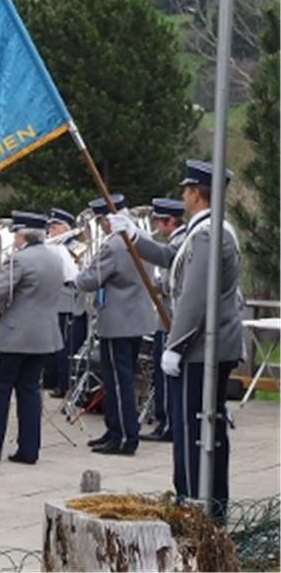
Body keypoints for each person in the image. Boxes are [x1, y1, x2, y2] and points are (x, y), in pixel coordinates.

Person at [111, 160, 243, 516]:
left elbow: (195, 297)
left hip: (201, 349)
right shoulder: (203, 230)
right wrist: (136, 238)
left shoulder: (207, 234)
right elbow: (171, 257)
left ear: (196, 194)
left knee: (192, 429)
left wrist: (176, 346)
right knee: (201, 426)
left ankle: (195, 503)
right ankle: (202, 502)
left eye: (186, 191)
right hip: (205, 346)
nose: (183, 196)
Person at [0, 212, 62, 465]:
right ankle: (29, 449)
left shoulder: (19, 259)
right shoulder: (55, 258)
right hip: (44, 334)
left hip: (15, 333)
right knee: (29, 391)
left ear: (22, 234)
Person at [74, 194, 157, 456]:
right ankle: (115, 430)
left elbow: (90, 279)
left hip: (118, 320)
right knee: (122, 379)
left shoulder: (115, 245)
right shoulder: (142, 238)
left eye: (101, 222)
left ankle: (123, 436)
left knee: (117, 381)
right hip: (136, 319)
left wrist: (73, 274)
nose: (101, 228)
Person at [139, 198, 186, 443]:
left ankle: (168, 423)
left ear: (171, 221)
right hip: (164, 317)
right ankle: (164, 420)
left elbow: (173, 278)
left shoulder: (181, 241)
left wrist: (157, 285)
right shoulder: (174, 240)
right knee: (160, 374)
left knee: (166, 378)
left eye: (160, 221)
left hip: (171, 318)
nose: (157, 225)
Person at [46, 208, 86, 399]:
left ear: (65, 228)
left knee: (63, 343)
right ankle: (50, 378)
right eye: (50, 227)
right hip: (53, 297)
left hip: (67, 297)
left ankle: (62, 383)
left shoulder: (77, 247)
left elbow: (77, 274)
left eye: (55, 227)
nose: (51, 231)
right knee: (52, 341)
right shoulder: (51, 245)